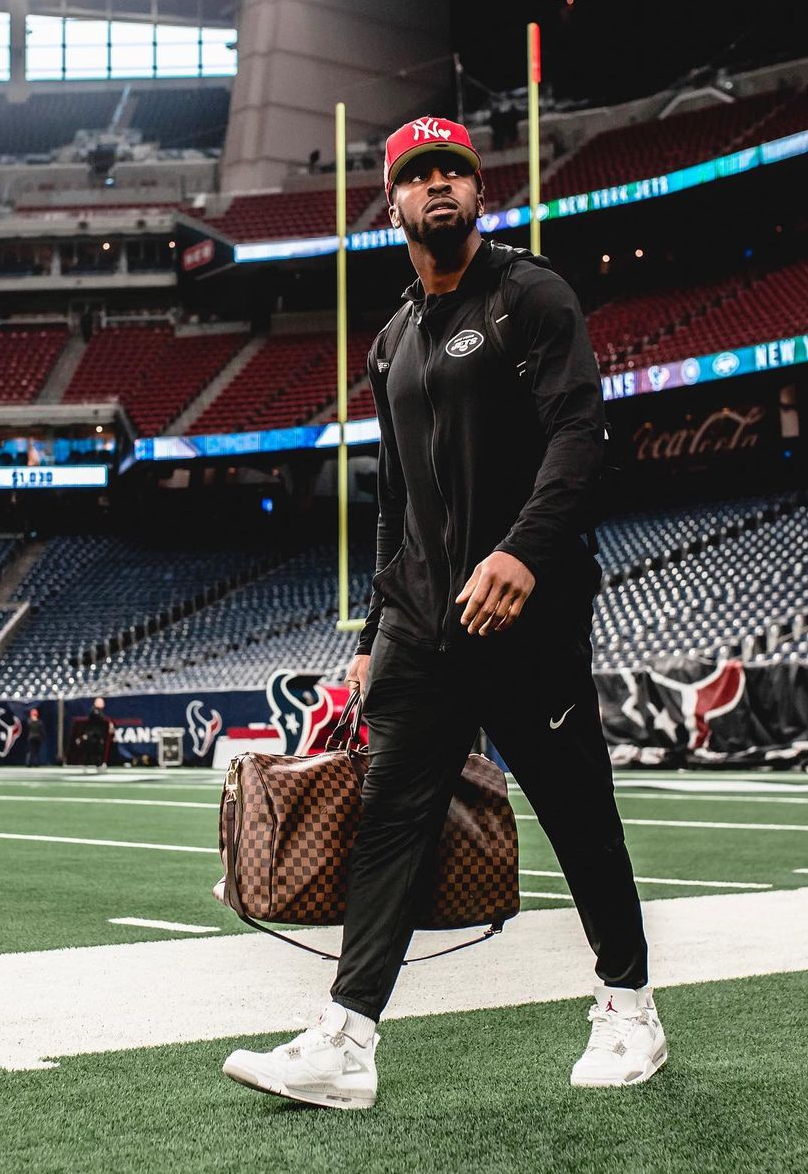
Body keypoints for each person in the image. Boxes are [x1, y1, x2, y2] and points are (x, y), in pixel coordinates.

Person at [223, 115, 665, 1110]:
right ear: (392, 202)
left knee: (578, 815)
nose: (437, 185)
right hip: (421, 626)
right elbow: (395, 503)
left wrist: (523, 553)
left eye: (453, 171)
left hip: (526, 616)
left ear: (478, 192)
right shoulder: (391, 343)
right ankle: (348, 1040)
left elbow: (580, 435)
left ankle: (630, 1006)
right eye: (418, 174)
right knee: (389, 820)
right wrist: (377, 625)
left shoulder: (529, 295)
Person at [81, 697, 113, 771]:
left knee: (98, 750)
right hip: (92, 734)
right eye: (101, 702)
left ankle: (98, 765)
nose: (103, 704)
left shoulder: (100, 712)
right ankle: (86, 765)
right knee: (90, 750)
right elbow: (101, 719)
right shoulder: (94, 711)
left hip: (98, 734)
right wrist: (108, 722)